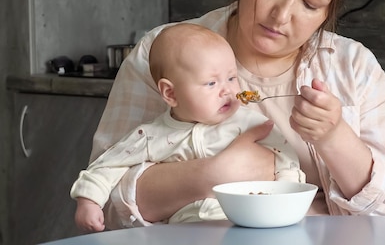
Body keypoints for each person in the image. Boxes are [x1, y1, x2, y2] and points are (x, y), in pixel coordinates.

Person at [89, 0, 385, 230]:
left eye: (310, 4)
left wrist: (334, 137)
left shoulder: (353, 67)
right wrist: (215, 175)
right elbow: (103, 203)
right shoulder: (162, 52)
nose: (281, 14)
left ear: (327, 12)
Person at [71, 23, 304, 232]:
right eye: (211, 83)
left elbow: (284, 155)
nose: (227, 90)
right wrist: (89, 201)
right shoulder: (151, 136)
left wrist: (288, 195)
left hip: (249, 225)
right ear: (170, 93)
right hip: (184, 232)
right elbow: (109, 164)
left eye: (231, 78)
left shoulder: (249, 123)